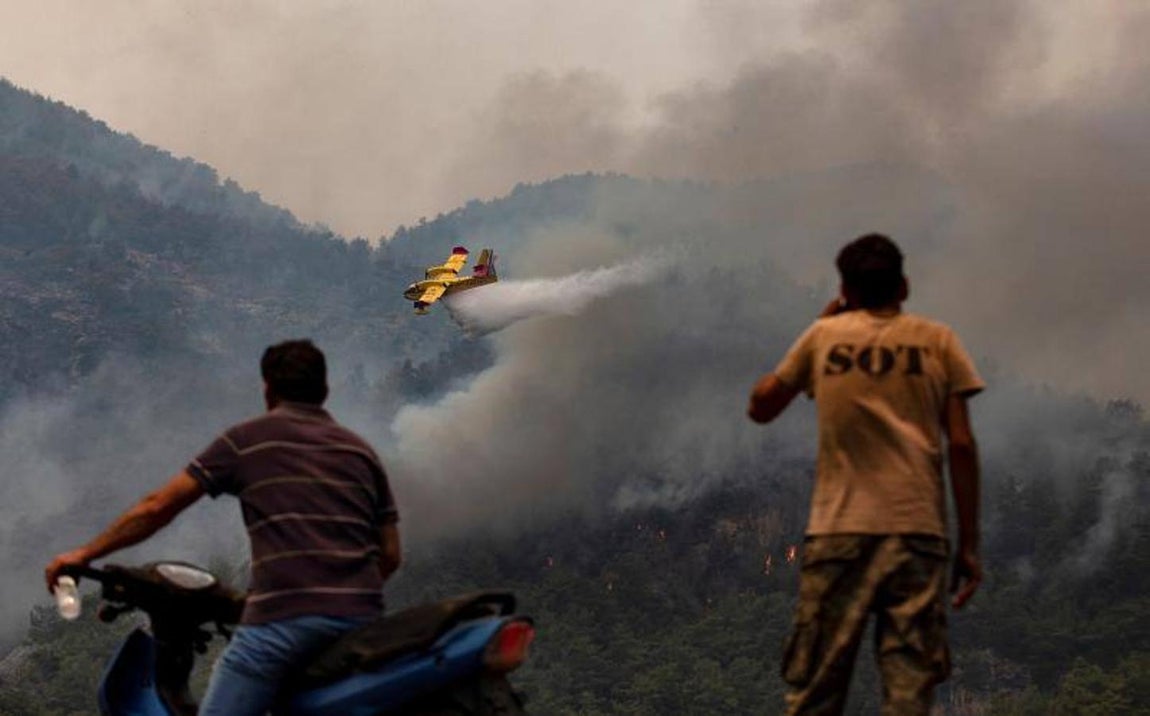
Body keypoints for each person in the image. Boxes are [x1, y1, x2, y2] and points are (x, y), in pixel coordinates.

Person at [44, 339, 401, 715]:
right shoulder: (361, 452)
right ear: (324, 390)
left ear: (267, 389)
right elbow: (391, 555)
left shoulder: (247, 441)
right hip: (361, 623)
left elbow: (158, 507)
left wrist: (84, 554)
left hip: (283, 623)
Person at [747, 234, 983, 715]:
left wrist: (820, 325)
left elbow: (762, 406)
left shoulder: (823, 339)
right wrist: (969, 544)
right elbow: (960, 443)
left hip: (839, 533)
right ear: (904, 286)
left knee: (816, 690)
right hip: (917, 533)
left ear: (846, 292)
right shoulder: (938, 342)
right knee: (909, 692)